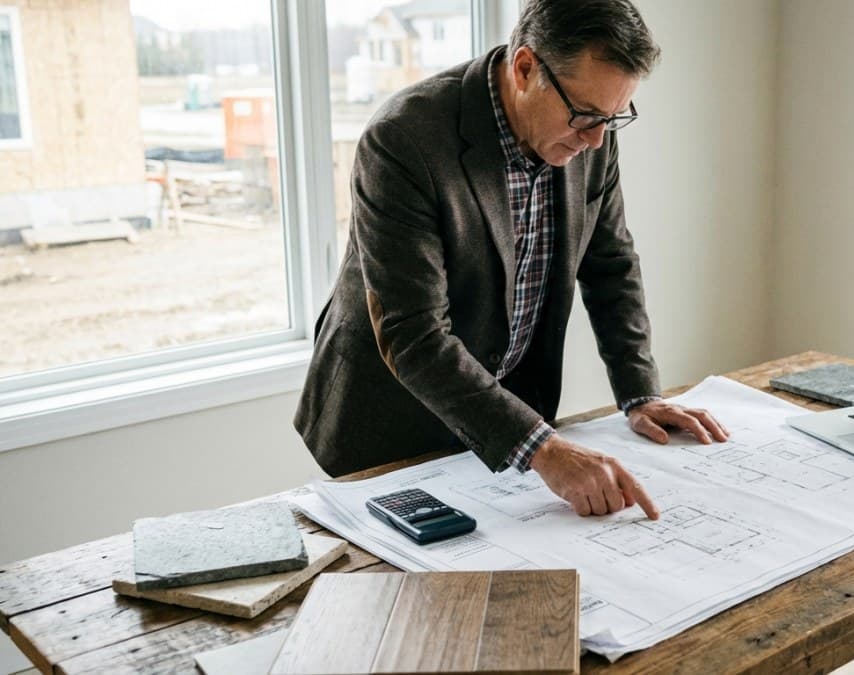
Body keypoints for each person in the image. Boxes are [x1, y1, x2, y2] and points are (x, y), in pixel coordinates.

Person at [294, 0, 728, 520]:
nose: (595, 141)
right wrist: (543, 449)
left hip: (507, 418)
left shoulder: (591, 136)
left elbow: (611, 264)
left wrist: (639, 395)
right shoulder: (403, 139)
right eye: (586, 116)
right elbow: (414, 334)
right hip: (390, 425)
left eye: (613, 119)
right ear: (525, 69)